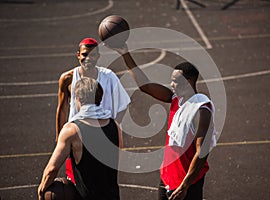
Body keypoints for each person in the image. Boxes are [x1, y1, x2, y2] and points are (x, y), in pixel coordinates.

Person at [112, 45, 216, 200]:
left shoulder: (201, 111)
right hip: (167, 178)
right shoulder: (175, 99)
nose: (171, 85)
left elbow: (202, 153)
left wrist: (185, 186)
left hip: (187, 183)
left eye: (175, 81)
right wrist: (125, 53)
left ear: (189, 81)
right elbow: (144, 85)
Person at [56, 38, 130, 183]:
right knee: (77, 182)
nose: (88, 58)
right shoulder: (68, 78)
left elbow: (123, 103)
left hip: (104, 136)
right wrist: (60, 139)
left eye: (93, 55)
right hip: (77, 136)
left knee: (104, 182)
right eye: (84, 54)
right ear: (78, 55)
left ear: (98, 56)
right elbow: (62, 109)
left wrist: (113, 126)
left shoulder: (108, 77)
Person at [38, 77, 122, 200]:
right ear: (100, 97)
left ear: (77, 99)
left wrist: (41, 191)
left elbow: (52, 169)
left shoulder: (71, 130)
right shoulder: (115, 125)